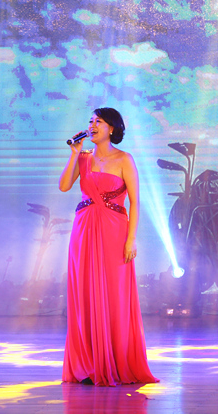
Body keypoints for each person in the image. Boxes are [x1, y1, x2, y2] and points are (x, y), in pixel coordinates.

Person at [58, 107, 158, 387]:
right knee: (85, 292)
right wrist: (74, 154)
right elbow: (64, 186)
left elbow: (135, 202)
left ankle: (115, 360)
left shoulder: (124, 159)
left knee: (114, 293)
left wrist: (131, 238)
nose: (92, 125)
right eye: (90, 121)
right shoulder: (84, 158)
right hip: (84, 229)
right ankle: (88, 364)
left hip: (114, 231)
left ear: (111, 128)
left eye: (98, 121)